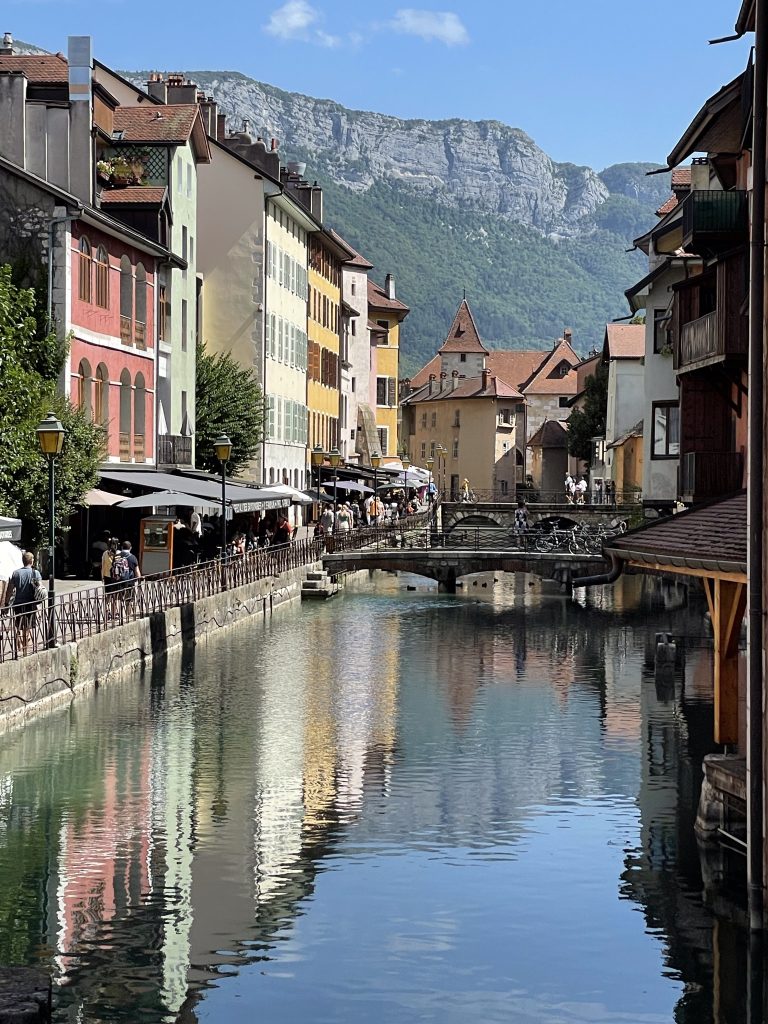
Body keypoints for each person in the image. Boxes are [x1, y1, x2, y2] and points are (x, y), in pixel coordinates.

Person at [5, 551, 43, 653]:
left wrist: (6, 602)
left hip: (18, 604)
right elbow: (39, 588)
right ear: (32, 561)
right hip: (30, 604)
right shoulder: (35, 573)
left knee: (18, 627)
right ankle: (26, 649)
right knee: (27, 628)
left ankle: (19, 646)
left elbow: (10, 589)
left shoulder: (16, 573)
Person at [111, 540, 141, 607]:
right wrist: (138, 580)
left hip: (117, 581)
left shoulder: (116, 556)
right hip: (129, 582)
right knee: (128, 599)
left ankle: (114, 615)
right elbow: (137, 572)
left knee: (115, 599)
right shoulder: (133, 557)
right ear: (130, 548)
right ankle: (128, 615)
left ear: (122, 547)